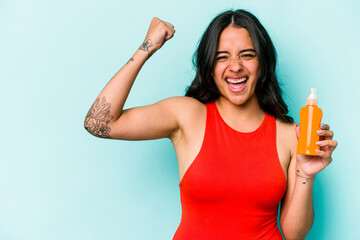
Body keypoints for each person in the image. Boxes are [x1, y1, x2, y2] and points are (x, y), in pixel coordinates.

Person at [84, 9, 337, 240]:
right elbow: (99, 122)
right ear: (209, 66)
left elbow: (294, 234)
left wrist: (305, 174)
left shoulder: (289, 135)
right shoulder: (187, 116)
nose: (235, 67)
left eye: (247, 55)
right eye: (222, 57)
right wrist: (147, 47)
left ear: (263, 63)